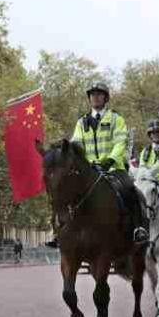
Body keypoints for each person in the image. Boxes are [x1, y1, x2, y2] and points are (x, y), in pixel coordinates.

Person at [45, 82, 149, 248]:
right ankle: (59, 230)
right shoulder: (81, 122)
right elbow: (77, 144)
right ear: (89, 98)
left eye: (99, 94)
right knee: (64, 190)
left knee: (130, 190)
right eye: (93, 94)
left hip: (113, 167)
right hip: (89, 169)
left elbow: (120, 142)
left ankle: (138, 229)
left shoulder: (116, 119)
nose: (95, 97)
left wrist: (111, 160)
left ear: (105, 98)